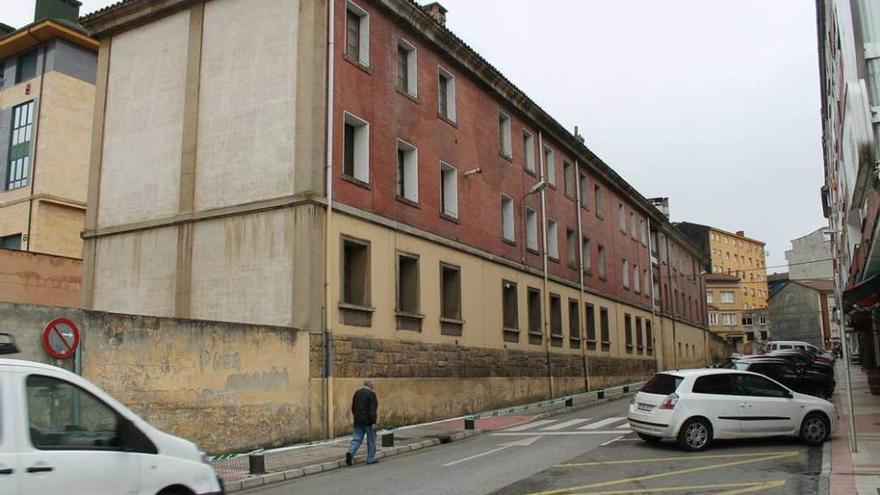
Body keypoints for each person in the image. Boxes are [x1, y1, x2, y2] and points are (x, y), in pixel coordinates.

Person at [346, 378, 378, 466]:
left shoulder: (357, 393)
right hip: (368, 421)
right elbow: (372, 410)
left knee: (357, 438)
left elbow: (353, 408)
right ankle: (370, 458)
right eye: (373, 384)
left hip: (358, 420)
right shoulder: (371, 394)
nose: (374, 386)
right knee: (371, 440)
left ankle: (350, 452)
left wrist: (356, 417)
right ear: (370, 385)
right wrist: (373, 422)